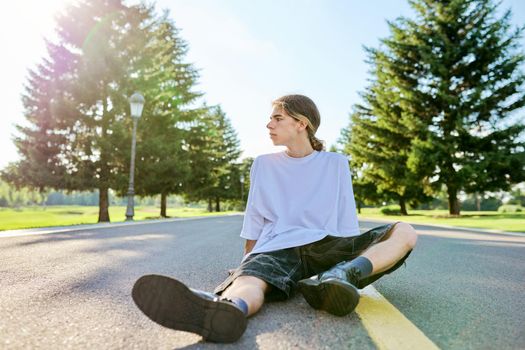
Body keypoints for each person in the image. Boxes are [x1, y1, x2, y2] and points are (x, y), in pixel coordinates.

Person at [132, 94, 417, 343]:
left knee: (404, 231)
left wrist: (347, 257)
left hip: (327, 247)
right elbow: (255, 216)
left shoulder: (336, 163)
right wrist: (246, 263)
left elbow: (345, 221)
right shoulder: (264, 164)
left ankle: (343, 275)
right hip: (277, 247)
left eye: (277, 118)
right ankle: (228, 310)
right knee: (251, 281)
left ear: (301, 123)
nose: (269, 125)